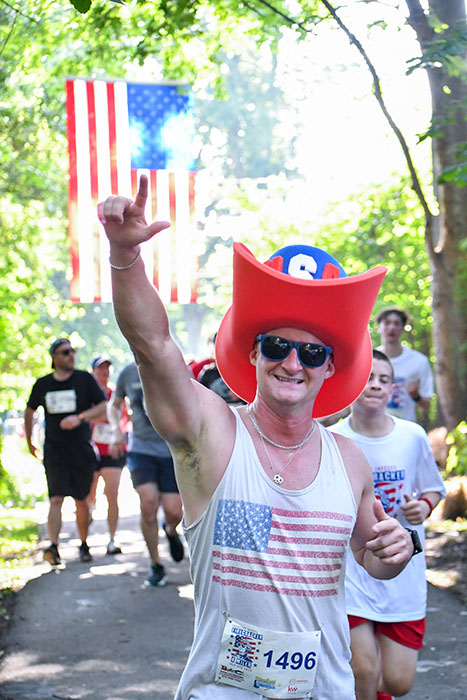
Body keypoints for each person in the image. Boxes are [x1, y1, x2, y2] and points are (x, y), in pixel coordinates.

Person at [98, 176, 416, 699]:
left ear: (329, 366)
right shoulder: (212, 433)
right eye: (276, 346)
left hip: (325, 689)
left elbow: (371, 556)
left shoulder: (349, 459)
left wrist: (396, 551)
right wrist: (124, 256)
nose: (292, 363)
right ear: (253, 353)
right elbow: (153, 345)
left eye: (311, 353)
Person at [331, 349, 445, 700]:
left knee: (397, 682)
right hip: (350, 572)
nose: (377, 385)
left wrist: (422, 507)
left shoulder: (412, 436)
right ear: (352, 382)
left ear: (392, 388)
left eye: (384, 379)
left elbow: (433, 488)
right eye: (368, 377)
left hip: (402, 572)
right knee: (363, 671)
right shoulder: (331, 439)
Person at [24, 339, 107, 565]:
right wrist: (30, 441)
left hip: (80, 450)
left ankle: (84, 544)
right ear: (54, 357)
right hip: (54, 451)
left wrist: (80, 418)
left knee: (81, 500)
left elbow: (103, 406)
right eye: (65, 352)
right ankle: (53, 546)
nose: (71, 355)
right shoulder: (43, 384)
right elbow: (29, 410)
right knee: (56, 499)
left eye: (73, 351)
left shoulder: (84, 379)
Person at [107, 360, 184, 587]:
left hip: (171, 449)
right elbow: (114, 405)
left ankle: (170, 530)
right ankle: (156, 564)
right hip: (141, 449)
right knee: (148, 503)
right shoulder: (128, 372)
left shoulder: (175, 365)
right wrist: (116, 430)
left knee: (174, 510)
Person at [88, 355, 127, 555]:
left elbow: (123, 417)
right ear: (93, 371)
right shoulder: (86, 393)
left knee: (112, 494)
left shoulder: (115, 394)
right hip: (90, 451)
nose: (105, 372)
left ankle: (112, 539)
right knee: (89, 497)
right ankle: (84, 539)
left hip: (112, 452)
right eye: (100, 368)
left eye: (107, 368)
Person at [376, 307, 434, 422]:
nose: (392, 327)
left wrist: (415, 396)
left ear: (403, 328)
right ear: (379, 327)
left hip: (405, 426)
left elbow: (426, 405)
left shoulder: (419, 361)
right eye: (387, 322)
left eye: (396, 323)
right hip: (372, 427)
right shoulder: (369, 359)